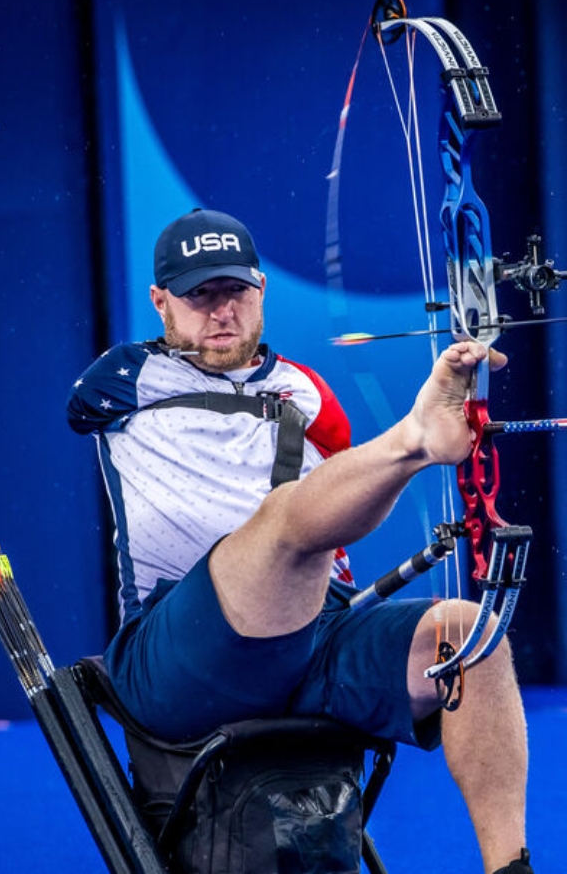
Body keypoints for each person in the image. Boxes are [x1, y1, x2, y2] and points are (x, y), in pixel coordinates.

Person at [68, 208, 534, 874]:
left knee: (470, 635)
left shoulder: (306, 392)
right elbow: (77, 405)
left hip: (311, 636)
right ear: (159, 300)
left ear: (261, 288)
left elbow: (343, 509)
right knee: (283, 520)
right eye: (199, 294)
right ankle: (414, 437)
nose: (221, 311)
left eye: (235, 291)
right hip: (175, 656)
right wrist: (413, 443)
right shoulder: (123, 381)